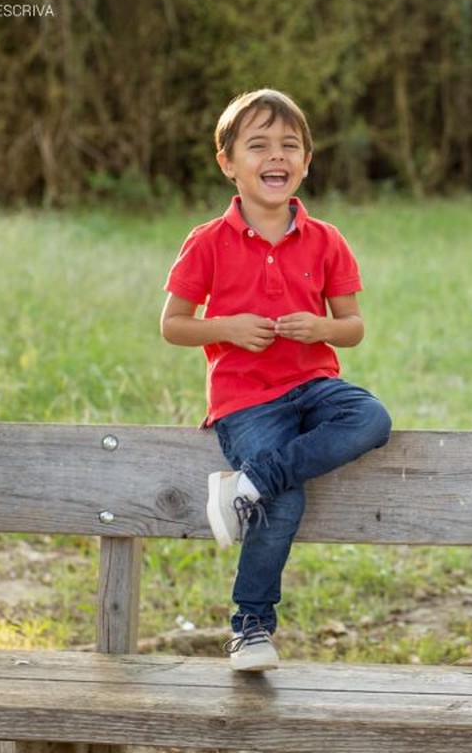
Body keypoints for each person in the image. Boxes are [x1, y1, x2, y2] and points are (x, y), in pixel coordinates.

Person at [161, 88, 392, 672]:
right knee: (282, 503)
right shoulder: (207, 242)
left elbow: (354, 328)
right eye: (258, 145)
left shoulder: (326, 239)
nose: (276, 156)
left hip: (314, 387)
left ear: (306, 163)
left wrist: (320, 326)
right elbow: (173, 325)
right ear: (228, 164)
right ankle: (252, 627)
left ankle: (246, 484)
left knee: (371, 418)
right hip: (247, 400)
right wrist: (228, 327)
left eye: (290, 146)